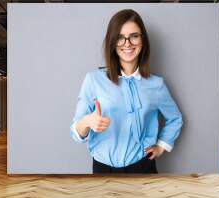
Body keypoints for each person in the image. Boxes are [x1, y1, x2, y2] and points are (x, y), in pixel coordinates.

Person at [70, 9, 183, 174]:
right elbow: (75, 131)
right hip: (103, 170)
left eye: (134, 36)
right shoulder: (93, 80)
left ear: (142, 40)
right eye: (120, 37)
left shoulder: (156, 85)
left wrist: (161, 146)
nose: (127, 43)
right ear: (112, 42)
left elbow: (175, 118)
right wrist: (87, 122)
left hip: (143, 168)